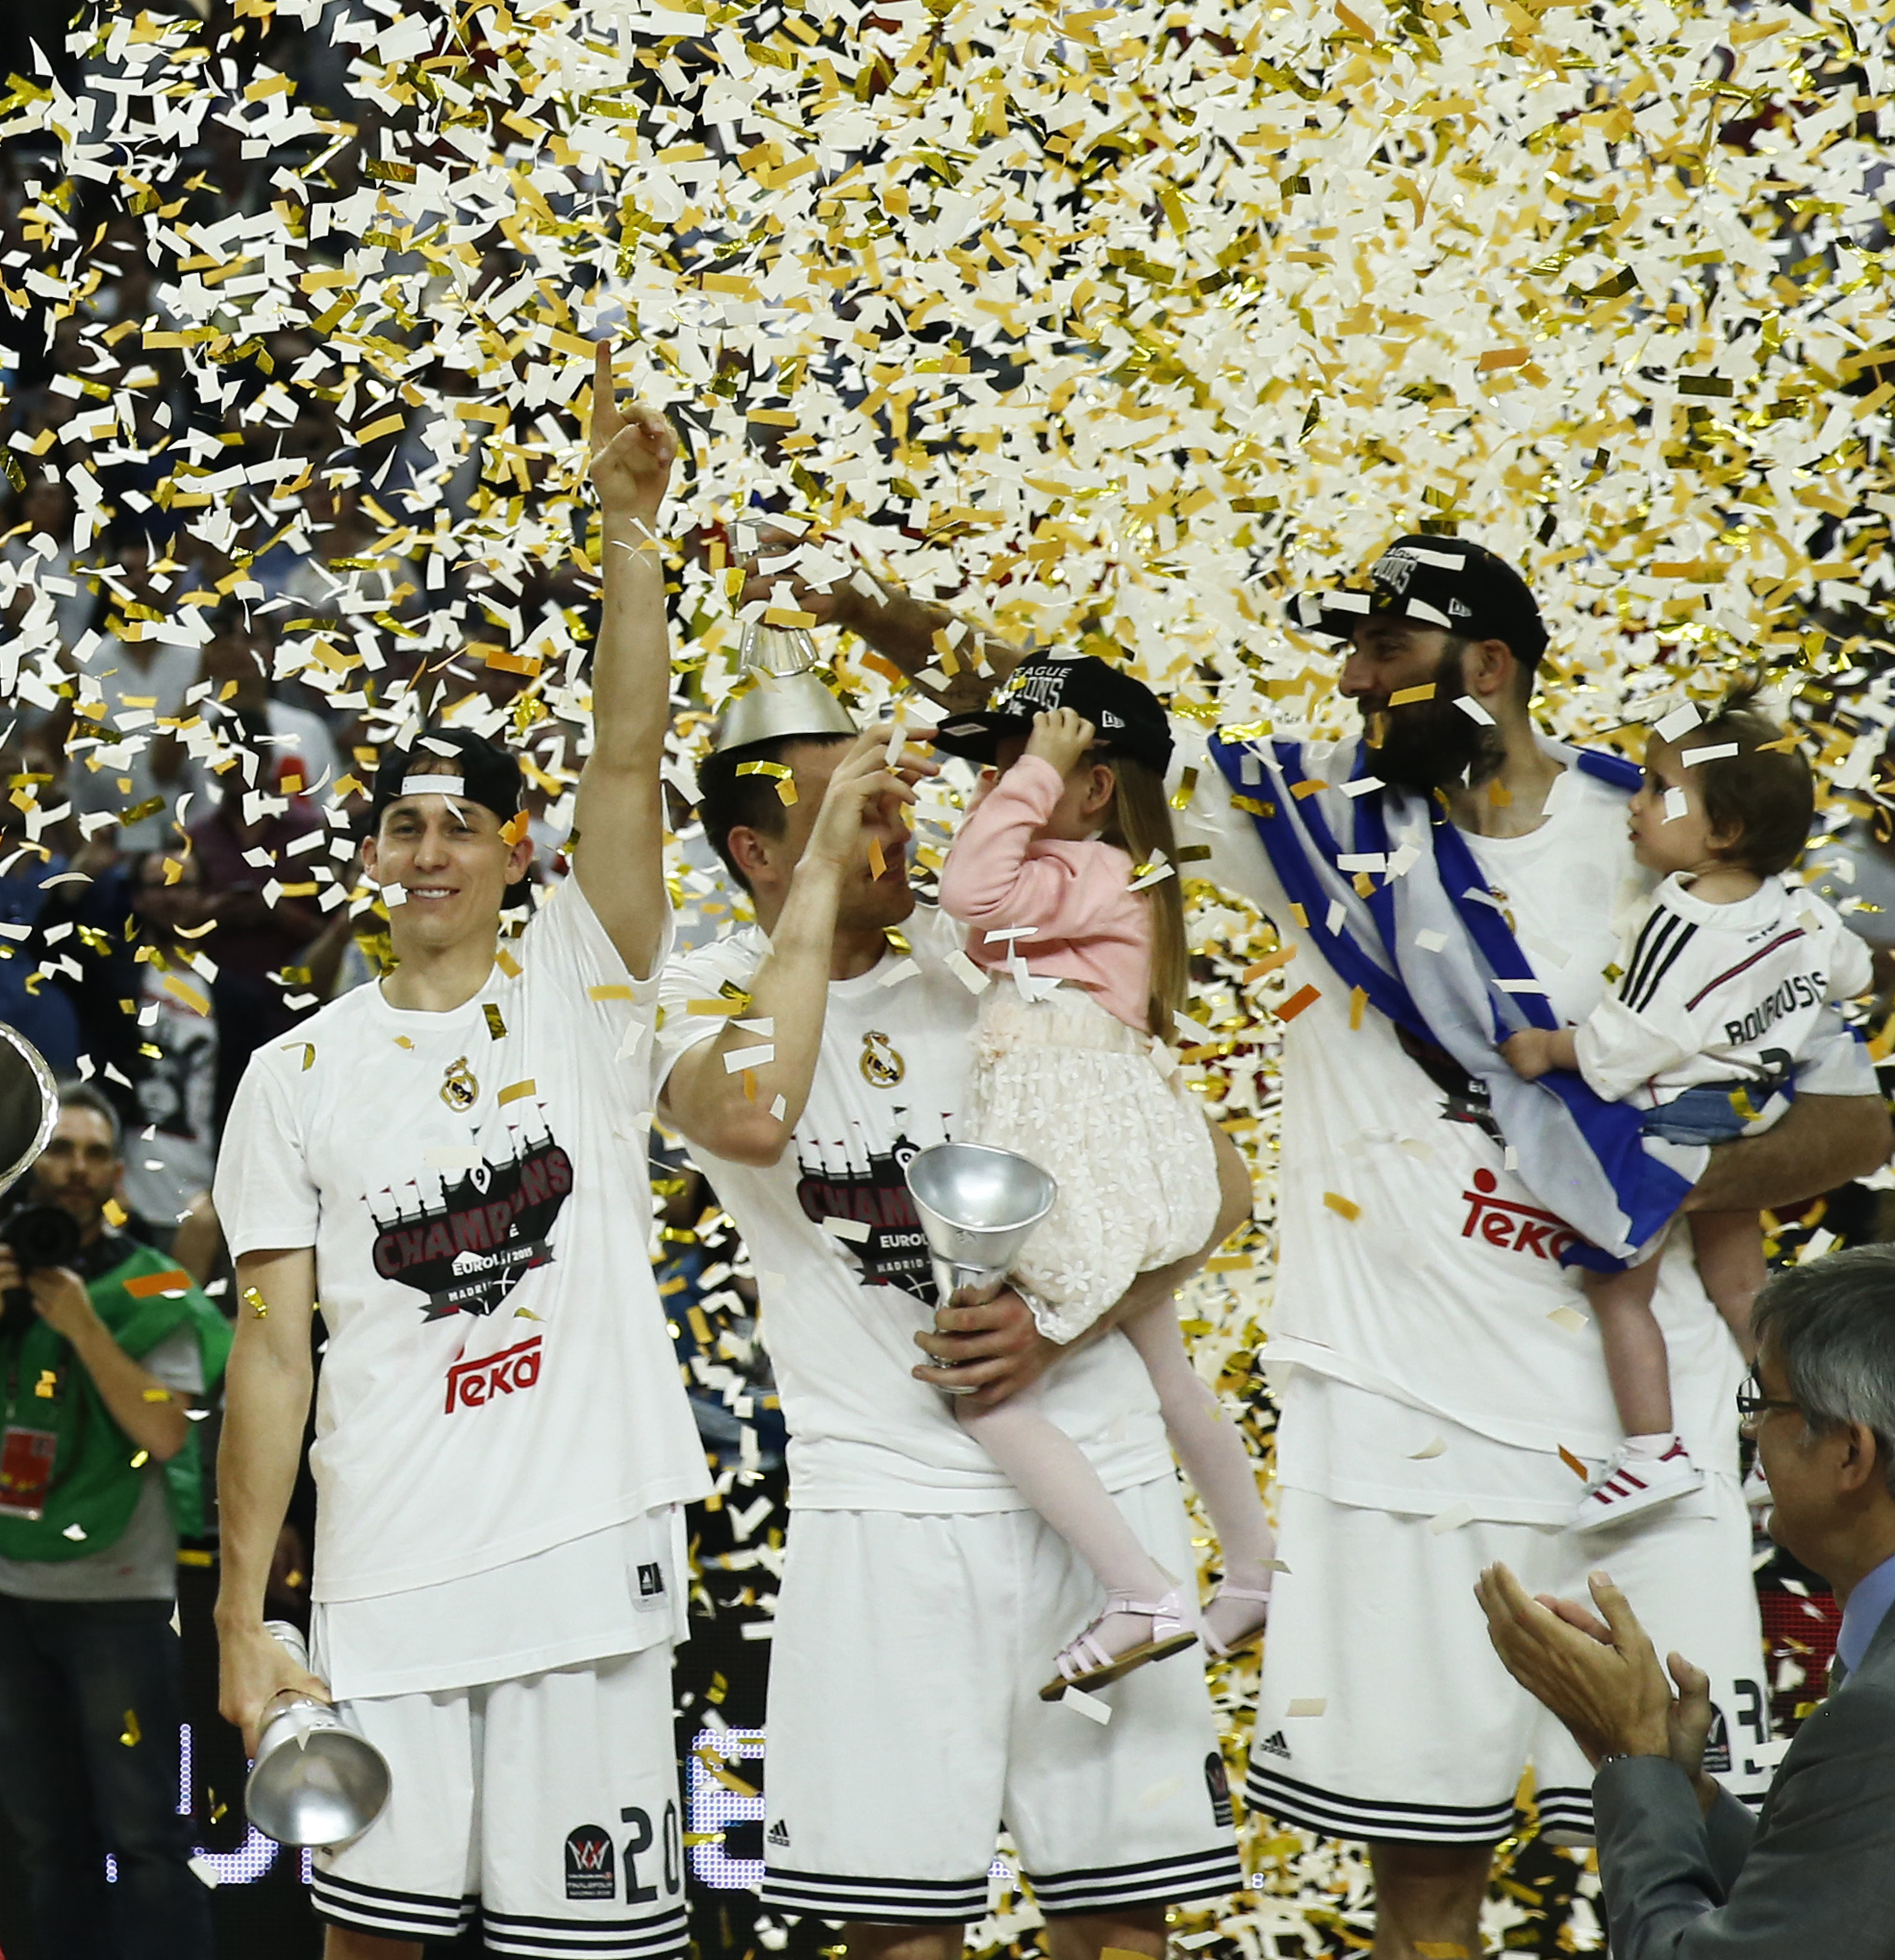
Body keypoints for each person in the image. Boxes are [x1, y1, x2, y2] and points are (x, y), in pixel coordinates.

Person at [816, 532, 1889, 1952]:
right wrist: (848, 590)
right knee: (1423, 1890)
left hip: (1645, 1437)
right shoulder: (1309, 817)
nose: (1350, 676)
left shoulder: (1666, 840)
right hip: (1393, 1425)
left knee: (1697, 1847)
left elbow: (1852, 1122)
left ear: (1488, 665)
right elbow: (1085, 712)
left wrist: (1631, 1175)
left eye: (1383, 649)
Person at [211, 349, 696, 1960]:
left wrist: (630, 533)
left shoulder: (582, 984)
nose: (428, 847)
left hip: (586, 1556)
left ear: (510, 855)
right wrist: (238, 1609)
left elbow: (623, 759)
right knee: (371, 1949)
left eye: (460, 825)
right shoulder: (292, 1074)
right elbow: (269, 1360)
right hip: (390, 1573)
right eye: (402, 822)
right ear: (369, 854)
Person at [658, 676, 1251, 1952]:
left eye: (886, 802)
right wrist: (820, 880)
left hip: (1093, 1481)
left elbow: (1215, 1190)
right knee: (897, 1931)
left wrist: (1066, 1322)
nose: (891, 833)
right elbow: (752, 1118)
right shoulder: (696, 991)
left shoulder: (995, 942)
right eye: (841, 815)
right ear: (755, 849)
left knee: (1119, 1921)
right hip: (881, 1507)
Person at [925, 666, 1279, 1691]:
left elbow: (965, 893)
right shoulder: (1098, 874)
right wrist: (1034, 773)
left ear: (1090, 786)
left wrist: (1031, 776)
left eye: (1016, 770)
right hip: (1100, 1135)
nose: (995, 792)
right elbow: (974, 923)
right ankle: (1254, 1565)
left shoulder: (1100, 866)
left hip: (1069, 1153)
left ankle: (1138, 1587)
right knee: (1167, 1374)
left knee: (982, 1393)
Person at [1496, 699, 1861, 1529]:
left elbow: (1630, 1043)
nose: (1634, 800)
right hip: (1753, 1115)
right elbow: (1847, 977)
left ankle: (1649, 1452)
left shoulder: (1679, 914)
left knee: (1616, 1286)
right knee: (1741, 1288)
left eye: (1657, 788)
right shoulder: (1796, 908)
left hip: (1676, 1125)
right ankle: (1805, 1433)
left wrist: (1550, 1049)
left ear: (1722, 830)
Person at [1478, 1244, 1895, 1956]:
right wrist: (1682, 1789)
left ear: (1849, 1454)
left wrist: (1631, 1758)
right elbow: (1822, 1905)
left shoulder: (1877, 1717)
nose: (1746, 1433)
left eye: (1759, 1402)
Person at [0, 1084, 233, 1960]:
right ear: (34, 1162)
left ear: (114, 1172)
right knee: (46, 1844)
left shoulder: (153, 1282)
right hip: (1, 1583)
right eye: (57, 1148)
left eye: (89, 1152)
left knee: (147, 1841)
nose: (72, 1167)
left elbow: (162, 1427)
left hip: (120, 1592)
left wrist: (79, 1324)